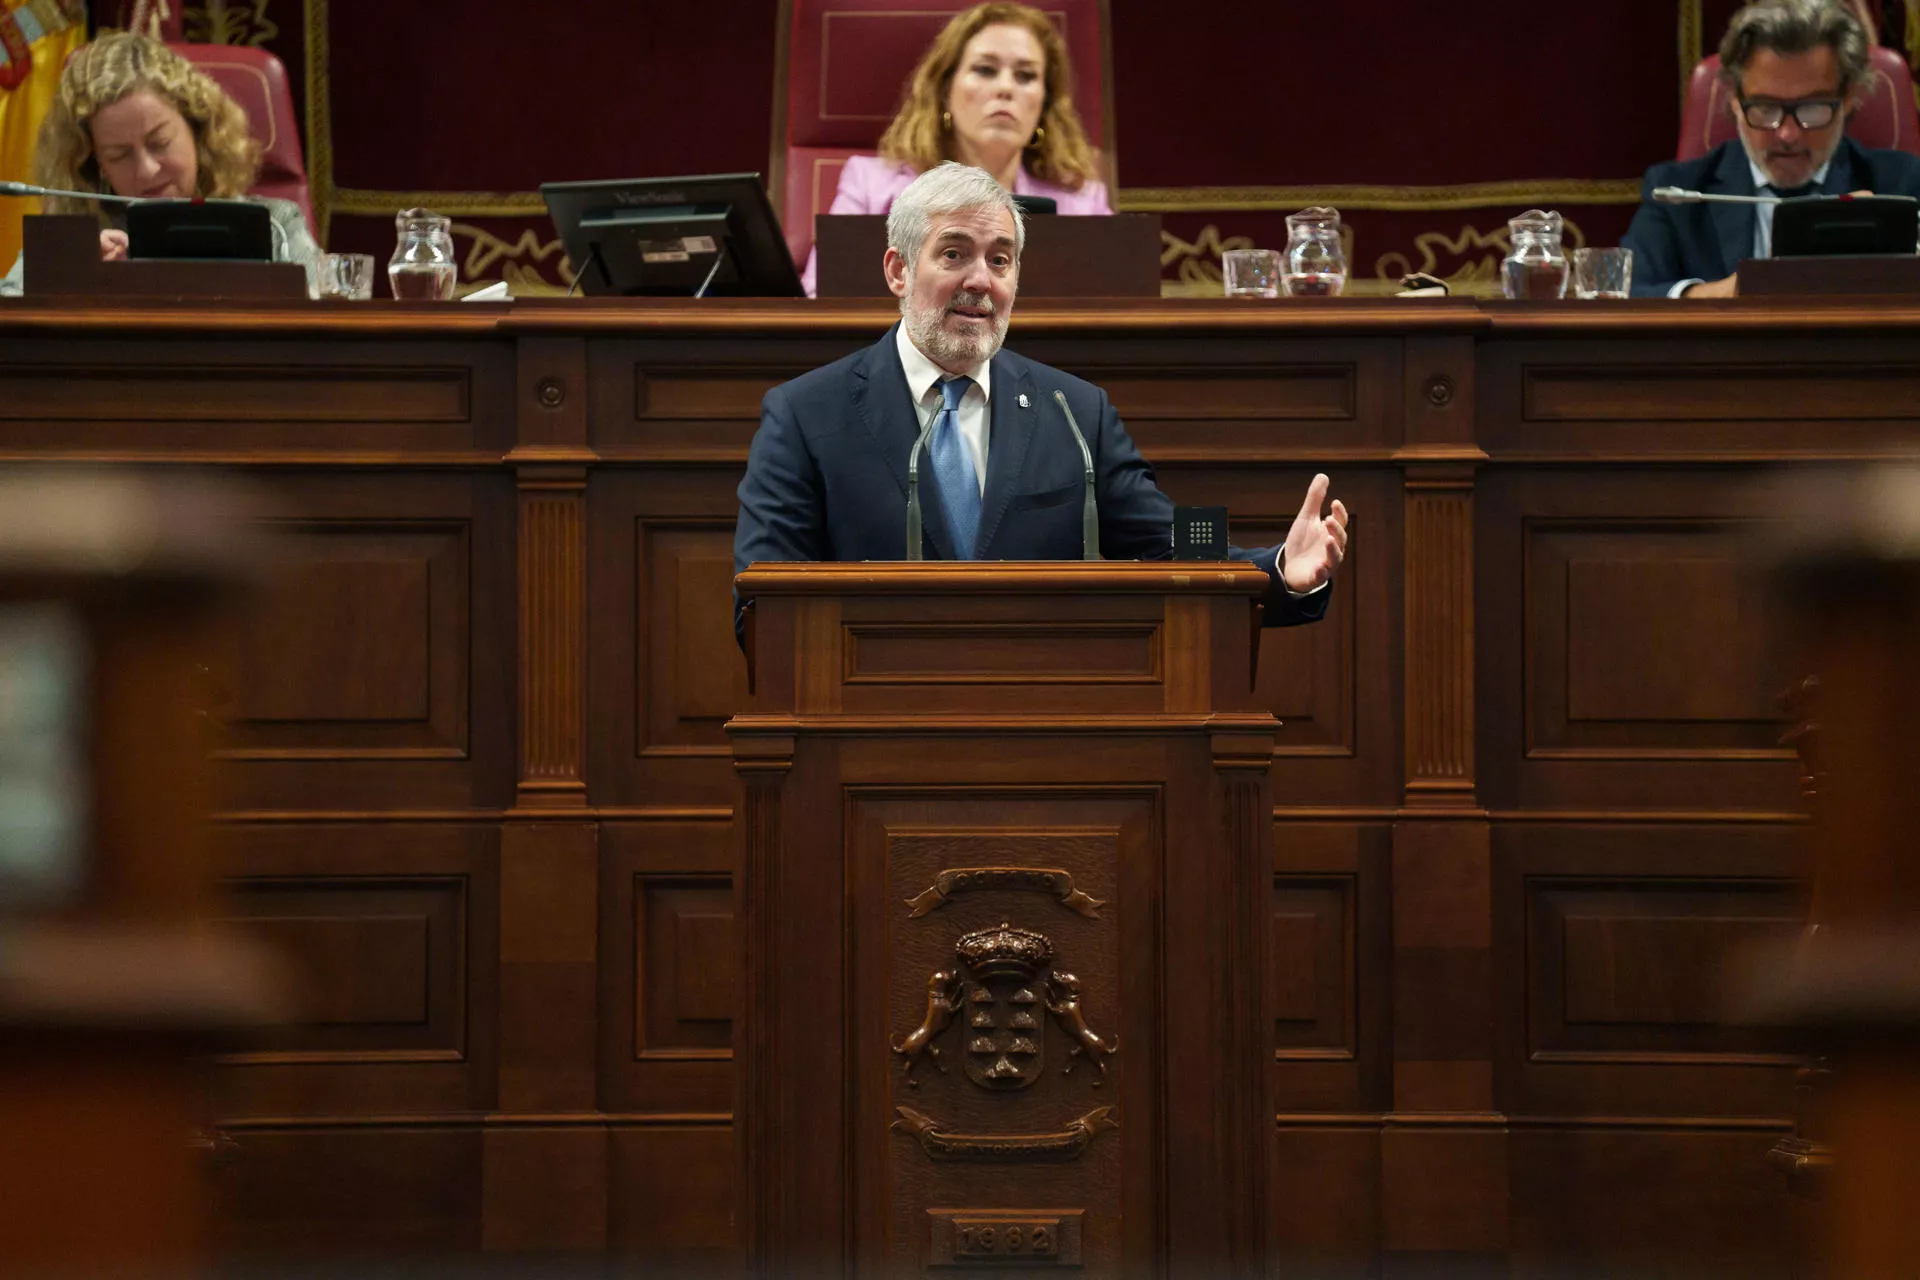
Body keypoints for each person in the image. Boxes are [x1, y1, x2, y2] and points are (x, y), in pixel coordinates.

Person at [735, 163, 1347, 641]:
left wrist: (1275, 567)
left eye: (1000, 260)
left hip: (1048, 731)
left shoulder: (1074, 412)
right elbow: (760, 603)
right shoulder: (806, 415)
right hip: (866, 736)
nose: (982, 280)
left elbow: (1171, 543)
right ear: (897, 270)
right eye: (954, 254)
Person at [798, 1, 1110, 296]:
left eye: (1025, 76)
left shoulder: (1084, 203)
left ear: (1044, 103)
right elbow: (819, 299)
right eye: (985, 70)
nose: (1005, 88)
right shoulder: (870, 185)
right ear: (946, 91)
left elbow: (1120, 310)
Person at [1622, 0, 1920, 297]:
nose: (1787, 134)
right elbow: (1626, 294)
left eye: (1812, 107)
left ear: (1848, 99)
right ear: (1735, 101)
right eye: (1765, 108)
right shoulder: (1678, 194)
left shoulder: (1903, 184)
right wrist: (1736, 291)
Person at [0, 31, 321, 297]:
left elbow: (327, 327)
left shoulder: (276, 225)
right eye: (120, 155)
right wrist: (70, 279)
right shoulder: (73, 244)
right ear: (96, 163)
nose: (147, 170)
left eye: (160, 143)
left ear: (198, 130)